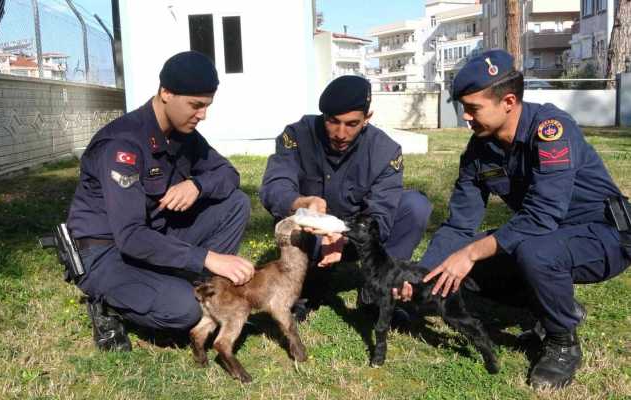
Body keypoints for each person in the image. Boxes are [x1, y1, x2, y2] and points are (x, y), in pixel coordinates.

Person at [394, 49, 631, 389]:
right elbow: (460, 224)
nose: (465, 117)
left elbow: (542, 214)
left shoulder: (551, 130)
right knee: (465, 261)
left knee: (528, 252)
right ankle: (557, 305)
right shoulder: (480, 151)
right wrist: (424, 274)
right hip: (549, 237)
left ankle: (562, 341)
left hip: (605, 235)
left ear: (508, 101)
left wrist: (470, 253)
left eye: (473, 108)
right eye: (463, 107)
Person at [66, 51, 255, 351]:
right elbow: (129, 236)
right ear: (166, 93)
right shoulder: (123, 144)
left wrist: (197, 185)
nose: (202, 115)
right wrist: (208, 257)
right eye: (196, 105)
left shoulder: (182, 134)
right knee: (187, 310)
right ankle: (106, 304)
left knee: (236, 204)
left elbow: (228, 174)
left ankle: (194, 288)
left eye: (207, 106)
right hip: (107, 253)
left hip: (153, 236)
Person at [260, 75, 432, 318]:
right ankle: (302, 292)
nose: (341, 133)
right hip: (310, 233)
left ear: (367, 118)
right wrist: (302, 205)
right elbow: (274, 186)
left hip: (356, 239)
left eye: (352, 124)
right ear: (323, 116)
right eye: (333, 121)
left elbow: (381, 215)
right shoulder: (298, 135)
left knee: (415, 206)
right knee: (290, 216)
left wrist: (344, 234)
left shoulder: (385, 151)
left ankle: (376, 293)